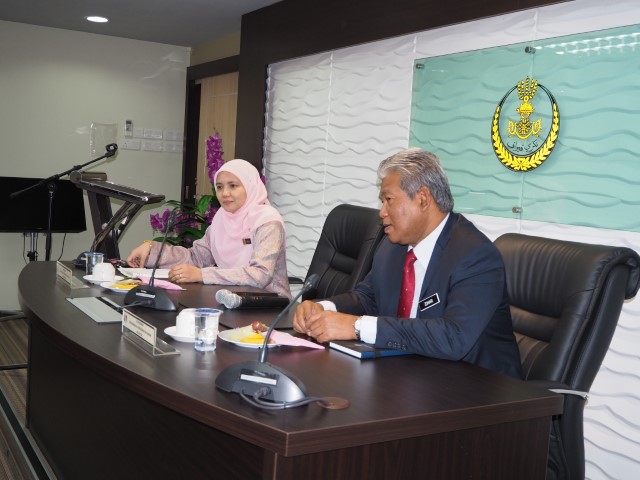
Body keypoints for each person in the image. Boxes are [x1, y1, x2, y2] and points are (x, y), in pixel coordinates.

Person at [293, 148, 522, 378]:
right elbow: (368, 297)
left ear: (422, 198)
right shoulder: (392, 246)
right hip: (413, 374)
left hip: (479, 386)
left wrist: (357, 327)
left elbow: (453, 337)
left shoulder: (475, 255)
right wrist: (324, 308)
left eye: (389, 200)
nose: (382, 212)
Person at [126, 159, 291, 298]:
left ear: (250, 186)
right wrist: (152, 251)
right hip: (230, 300)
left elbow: (260, 275)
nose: (225, 193)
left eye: (233, 186)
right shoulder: (222, 219)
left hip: (270, 307)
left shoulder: (267, 221)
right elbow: (196, 258)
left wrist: (202, 274)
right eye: (219, 187)